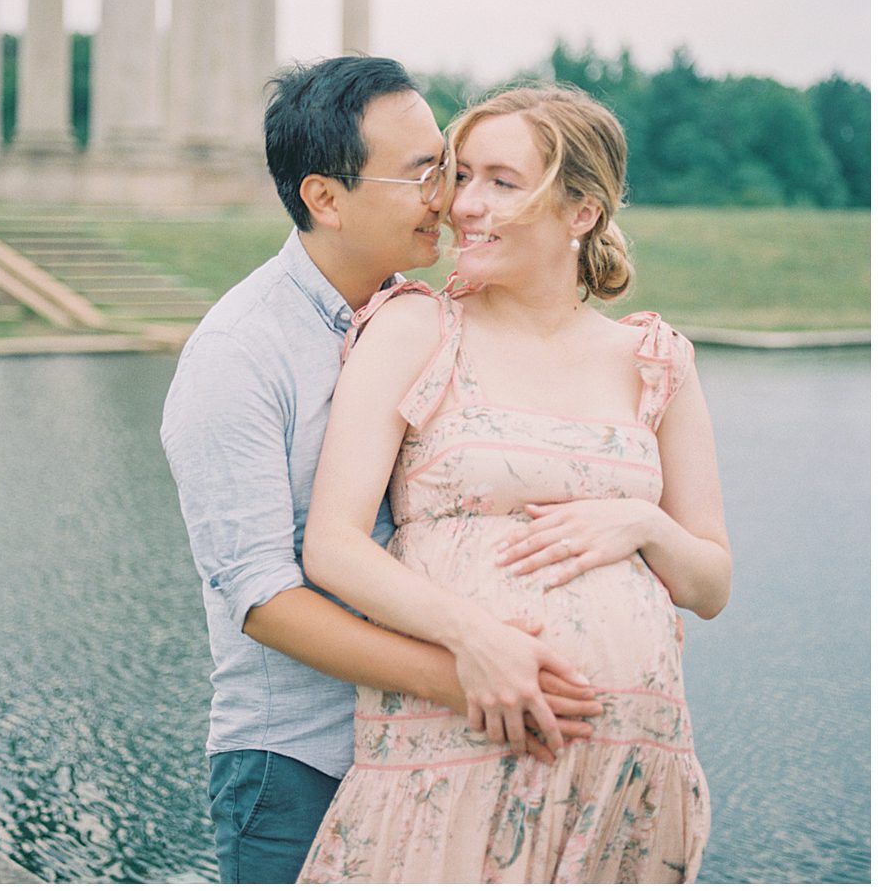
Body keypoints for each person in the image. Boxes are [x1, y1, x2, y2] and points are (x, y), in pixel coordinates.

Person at [161, 58, 601, 885]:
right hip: (297, 765)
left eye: (450, 164)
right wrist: (471, 672)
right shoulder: (237, 358)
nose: (451, 196)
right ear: (325, 199)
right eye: (424, 173)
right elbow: (263, 598)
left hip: (433, 747)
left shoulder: (425, 317)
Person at [298, 84, 732, 884]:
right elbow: (331, 547)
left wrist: (645, 523)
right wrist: (477, 641)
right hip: (453, 755)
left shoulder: (656, 360)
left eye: (501, 181)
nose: (464, 204)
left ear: (581, 212)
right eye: (461, 176)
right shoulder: (417, 328)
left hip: (624, 783)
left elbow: (709, 585)